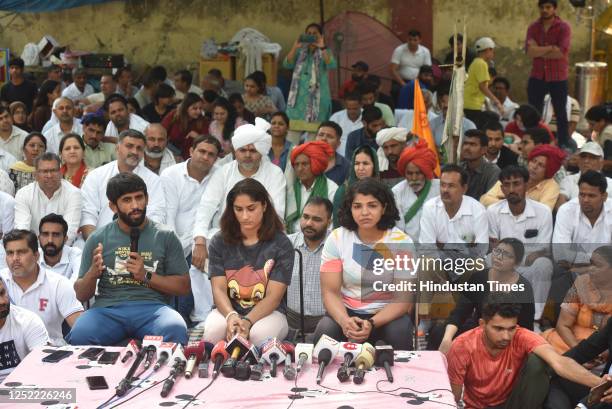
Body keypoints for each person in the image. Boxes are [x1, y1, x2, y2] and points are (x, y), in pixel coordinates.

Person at [68, 173, 190, 345]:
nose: (135, 205)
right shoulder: (98, 238)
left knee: (174, 328)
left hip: (153, 309)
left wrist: (146, 275)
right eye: (126, 200)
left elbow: (184, 287)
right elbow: (81, 294)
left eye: (139, 198)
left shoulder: (165, 236)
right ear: (113, 206)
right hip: (108, 310)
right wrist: (92, 274)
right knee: (81, 333)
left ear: (147, 198)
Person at [447, 293, 602, 409]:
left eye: (511, 328)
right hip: (474, 406)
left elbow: (560, 362)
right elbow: (453, 396)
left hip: (511, 403)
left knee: (539, 361)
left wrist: (602, 384)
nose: (506, 336)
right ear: (482, 324)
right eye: (498, 329)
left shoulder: (522, 336)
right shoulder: (462, 345)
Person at [314, 178, 414, 349]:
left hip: (386, 315)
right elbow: (330, 292)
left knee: (399, 330)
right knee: (325, 329)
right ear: (350, 208)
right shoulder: (337, 238)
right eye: (357, 206)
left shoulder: (401, 241)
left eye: (372, 205)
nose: (364, 212)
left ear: (384, 208)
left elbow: (403, 299)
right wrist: (345, 321)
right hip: (346, 312)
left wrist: (372, 323)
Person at [202, 178, 294, 345]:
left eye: (251, 208)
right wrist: (231, 316)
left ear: (264, 206)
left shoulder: (281, 244)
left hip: (269, 313)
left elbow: (274, 297)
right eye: (238, 209)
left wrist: (247, 321)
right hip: (228, 309)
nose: (245, 216)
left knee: (259, 337)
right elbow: (219, 289)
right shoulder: (219, 241)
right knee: (212, 332)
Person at [191, 119, 287, 271]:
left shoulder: (274, 173)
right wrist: (200, 242)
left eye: (253, 150)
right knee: (200, 261)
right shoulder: (223, 172)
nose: (248, 155)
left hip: (261, 237)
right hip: (225, 237)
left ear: (261, 152)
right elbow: (206, 207)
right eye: (243, 150)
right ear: (235, 152)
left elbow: (277, 213)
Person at [434, 239, 535, 353]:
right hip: (479, 329)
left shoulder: (524, 287)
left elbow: (527, 328)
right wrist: (447, 339)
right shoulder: (478, 278)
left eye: (507, 255)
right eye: (497, 251)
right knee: (439, 333)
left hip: (507, 335)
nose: (499, 257)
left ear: (516, 263)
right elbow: (459, 313)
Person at [487, 165, 554, 321]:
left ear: (526, 185)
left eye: (516, 184)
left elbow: (542, 250)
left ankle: (533, 318)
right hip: (503, 264)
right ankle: (494, 316)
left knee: (544, 265)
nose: (512, 189)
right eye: (507, 185)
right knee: (486, 261)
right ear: (502, 188)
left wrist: (513, 256)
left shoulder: (543, 212)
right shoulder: (492, 211)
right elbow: (495, 247)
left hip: (529, 266)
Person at [80, 129, 166, 240]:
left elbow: (157, 216)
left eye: (139, 148)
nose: (135, 152)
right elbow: (87, 215)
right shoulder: (96, 176)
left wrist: (142, 244)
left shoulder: (153, 180)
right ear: (117, 148)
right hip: (101, 240)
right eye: (129, 146)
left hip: (141, 241)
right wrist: (96, 245)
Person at [1, 229, 82, 345]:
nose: (15, 258)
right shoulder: (1, 281)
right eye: (10, 253)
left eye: (21, 252)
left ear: (36, 255)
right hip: (8, 354)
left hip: (49, 353)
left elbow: (80, 328)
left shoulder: (59, 284)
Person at [542, 245, 612, 354]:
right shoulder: (581, 283)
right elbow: (563, 325)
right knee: (546, 349)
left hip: (605, 351)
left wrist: (601, 355)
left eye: (597, 265)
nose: (590, 268)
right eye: (591, 263)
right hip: (570, 342)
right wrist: (580, 352)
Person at [161, 135, 220, 258]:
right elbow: (168, 215)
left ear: (216, 159)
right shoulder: (171, 174)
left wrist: (202, 242)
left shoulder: (220, 176)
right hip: (174, 241)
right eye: (202, 151)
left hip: (206, 242)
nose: (205, 157)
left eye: (211, 154)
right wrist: (173, 248)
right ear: (191, 151)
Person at [526, 0, 572, 150]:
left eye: (548, 7)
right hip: (538, 75)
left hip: (558, 76)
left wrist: (539, 49)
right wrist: (551, 47)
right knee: (533, 112)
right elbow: (529, 51)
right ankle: (533, 140)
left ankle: (563, 142)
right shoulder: (533, 27)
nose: (545, 10)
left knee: (560, 112)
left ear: (554, 9)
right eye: (542, 7)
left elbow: (561, 52)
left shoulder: (564, 27)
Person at [14, 152, 81, 244]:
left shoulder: (73, 193)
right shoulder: (24, 194)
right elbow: (22, 230)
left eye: (53, 170)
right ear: (35, 175)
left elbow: (70, 232)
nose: (49, 175)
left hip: (64, 247)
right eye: (44, 171)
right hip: (32, 249)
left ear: (61, 173)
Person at [287, 197, 331, 333]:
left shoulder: (336, 246)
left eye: (317, 219)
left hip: (326, 322)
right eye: (305, 217)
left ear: (329, 222)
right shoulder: (288, 244)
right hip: (289, 320)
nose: (309, 223)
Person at [419, 164, 489, 246]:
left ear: (464, 189)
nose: (445, 190)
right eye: (442, 185)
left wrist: (442, 246)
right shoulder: (430, 207)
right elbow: (427, 248)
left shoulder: (478, 210)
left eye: (451, 186)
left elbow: (480, 250)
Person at [553, 171, 612, 267]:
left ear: (604, 196)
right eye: (582, 194)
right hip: (573, 269)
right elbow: (560, 254)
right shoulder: (566, 210)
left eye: (591, 196)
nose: (585, 200)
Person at [481, 144, 564, 211]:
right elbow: (484, 200)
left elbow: (544, 212)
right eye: (533, 161)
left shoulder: (552, 186)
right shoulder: (514, 174)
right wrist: (510, 203)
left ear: (549, 170)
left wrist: (504, 202)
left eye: (541, 165)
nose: (534, 167)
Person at [283, 22, 337, 124]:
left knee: (314, 133)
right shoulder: (299, 52)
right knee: (293, 132)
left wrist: (322, 47)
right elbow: (287, 64)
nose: (311, 36)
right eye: (309, 33)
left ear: (321, 36)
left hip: (318, 99)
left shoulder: (325, 51)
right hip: (298, 99)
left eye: (315, 33)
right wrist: (295, 47)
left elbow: (331, 65)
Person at [0, 277, 49, 382]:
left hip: (23, 388)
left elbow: (43, 365)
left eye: (2, 293)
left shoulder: (28, 320)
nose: (2, 301)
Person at [285, 141, 338, 234]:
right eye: (296, 165)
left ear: (315, 164)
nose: (300, 169)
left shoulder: (331, 189)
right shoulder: (291, 188)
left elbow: (332, 224)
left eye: (304, 164)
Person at [393, 140, 440, 240]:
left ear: (425, 172)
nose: (414, 178)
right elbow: (397, 228)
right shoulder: (397, 192)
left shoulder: (440, 188)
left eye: (418, 173)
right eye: (409, 173)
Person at [332, 145, 380, 227]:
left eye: (365, 163)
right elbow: (337, 225)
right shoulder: (344, 191)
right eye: (357, 163)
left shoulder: (383, 191)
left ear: (374, 165)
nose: (360, 168)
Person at [463, 37, 504, 129]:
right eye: (492, 50)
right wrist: (497, 101)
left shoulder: (475, 62)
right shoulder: (482, 64)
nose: (493, 53)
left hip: (469, 102)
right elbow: (483, 87)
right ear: (488, 50)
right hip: (473, 104)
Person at [162, 92, 209, 160]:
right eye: (195, 108)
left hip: (190, 157)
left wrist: (198, 137)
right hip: (169, 151)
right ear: (186, 107)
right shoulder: (175, 115)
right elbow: (162, 131)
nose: (198, 111)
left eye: (200, 108)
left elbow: (207, 141)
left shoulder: (203, 120)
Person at [38, 214, 82, 283]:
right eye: (45, 234)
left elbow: (76, 287)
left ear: (65, 239)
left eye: (56, 235)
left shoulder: (76, 255)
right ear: (39, 238)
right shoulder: (32, 257)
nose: (50, 240)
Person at [460, 129, 501, 199]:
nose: (467, 148)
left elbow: (490, 200)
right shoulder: (459, 169)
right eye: (465, 143)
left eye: (472, 144)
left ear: (484, 150)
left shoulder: (493, 172)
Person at [315, 121, 350, 186]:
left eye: (329, 136)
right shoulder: (305, 159)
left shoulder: (347, 166)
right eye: (321, 135)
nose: (324, 139)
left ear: (338, 143)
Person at [329, 92, 363, 157]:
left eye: (355, 109)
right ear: (345, 106)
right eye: (349, 109)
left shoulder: (366, 117)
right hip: (338, 158)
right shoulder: (336, 117)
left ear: (361, 105)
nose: (352, 112)